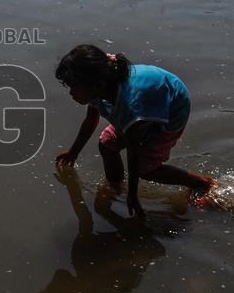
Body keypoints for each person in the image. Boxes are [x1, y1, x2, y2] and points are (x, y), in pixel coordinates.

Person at [54, 44, 214, 218]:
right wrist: (74, 152)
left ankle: (201, 183)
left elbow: (134, 149)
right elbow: (91, 119)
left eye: (74, 88)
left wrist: (132, 196)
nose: (71, 93)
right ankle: (115, 186)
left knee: (146, 169)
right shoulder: (99, 88)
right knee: (107, 144)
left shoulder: (130, 106)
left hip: (172, 107)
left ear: (97, 85)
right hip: (147, 102)